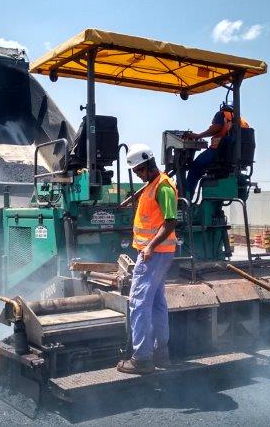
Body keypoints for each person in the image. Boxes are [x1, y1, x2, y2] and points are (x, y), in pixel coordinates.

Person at [117, 144, 177, 374]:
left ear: (144, 167)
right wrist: (130, 199)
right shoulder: (152, 184)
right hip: (159, 254)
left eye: (136, 171)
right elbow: (147, 196)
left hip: (153, 254)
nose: (137, 175)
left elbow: (170, 221)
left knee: (139, 303)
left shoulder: (163, 188)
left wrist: (150, 246)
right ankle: (161, 354)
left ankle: (141, 358)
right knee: (158, 302)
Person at [184, 103, 250, 198]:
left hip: (219, 153)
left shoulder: (222, 114)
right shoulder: (242, 121)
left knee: (195, 167)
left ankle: (186, 200)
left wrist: (198, 136)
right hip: (238, 160)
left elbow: (216, 128)